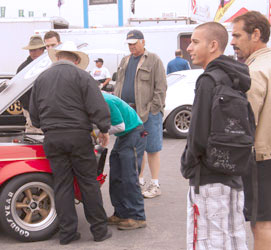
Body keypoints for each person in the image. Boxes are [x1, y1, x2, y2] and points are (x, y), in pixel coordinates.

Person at [29, 41, 112, 245]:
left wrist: (46, 124)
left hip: (53, 138)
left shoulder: (41, 79)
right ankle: (99, 231)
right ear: (76, 60)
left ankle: (67, 234)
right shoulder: (82, 76)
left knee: (62, 184)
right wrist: (104, 129)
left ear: (57, 57)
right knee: (88, 183)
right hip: (78, 136)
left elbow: (34, 115)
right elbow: (97, 106)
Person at [181, 21, 250, 250]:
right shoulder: (236, 77)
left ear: (213, 45)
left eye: (195, 42)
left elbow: (198, 135)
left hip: (207, 177)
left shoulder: (208, 80)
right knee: (233, 237)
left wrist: (188, 165)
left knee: (207, 241)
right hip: (233, 173)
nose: (189, 48)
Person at [231, 11, 271, 250]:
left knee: (262, 224)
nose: (233, 41)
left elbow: (246, 120)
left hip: (263, 156)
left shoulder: (254, 71)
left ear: (256, 35)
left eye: (237, 35)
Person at [114, 29, 167, 199]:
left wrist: (153, 108)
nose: (132, 47)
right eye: (129, 44)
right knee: (137, 149)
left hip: (148, 112)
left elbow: (161, 87)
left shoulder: (153, 59)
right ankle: (140, 181)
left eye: (135, 43)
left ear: (143, 42)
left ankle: (155, 184)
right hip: (130, 112)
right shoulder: (125, 60)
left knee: (152, 148)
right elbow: (119, 84)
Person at [102, 92, 147, 230]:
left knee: (129, 176)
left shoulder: (106, 101)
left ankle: (137, 217)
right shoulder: (96, 99)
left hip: (133, 133)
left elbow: (120, 126)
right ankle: (121, 213)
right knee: (116, 175)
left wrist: (100, 132)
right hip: (124, 136)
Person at [16, 35, 46, 133]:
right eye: (31, 50)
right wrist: (29, 108)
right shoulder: (23, 68)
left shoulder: (49, 65)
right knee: (32, 134)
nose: (34, 53)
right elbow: (19, 92)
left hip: (47, 110)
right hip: (30, 110)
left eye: (36, 50)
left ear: (42, 50)